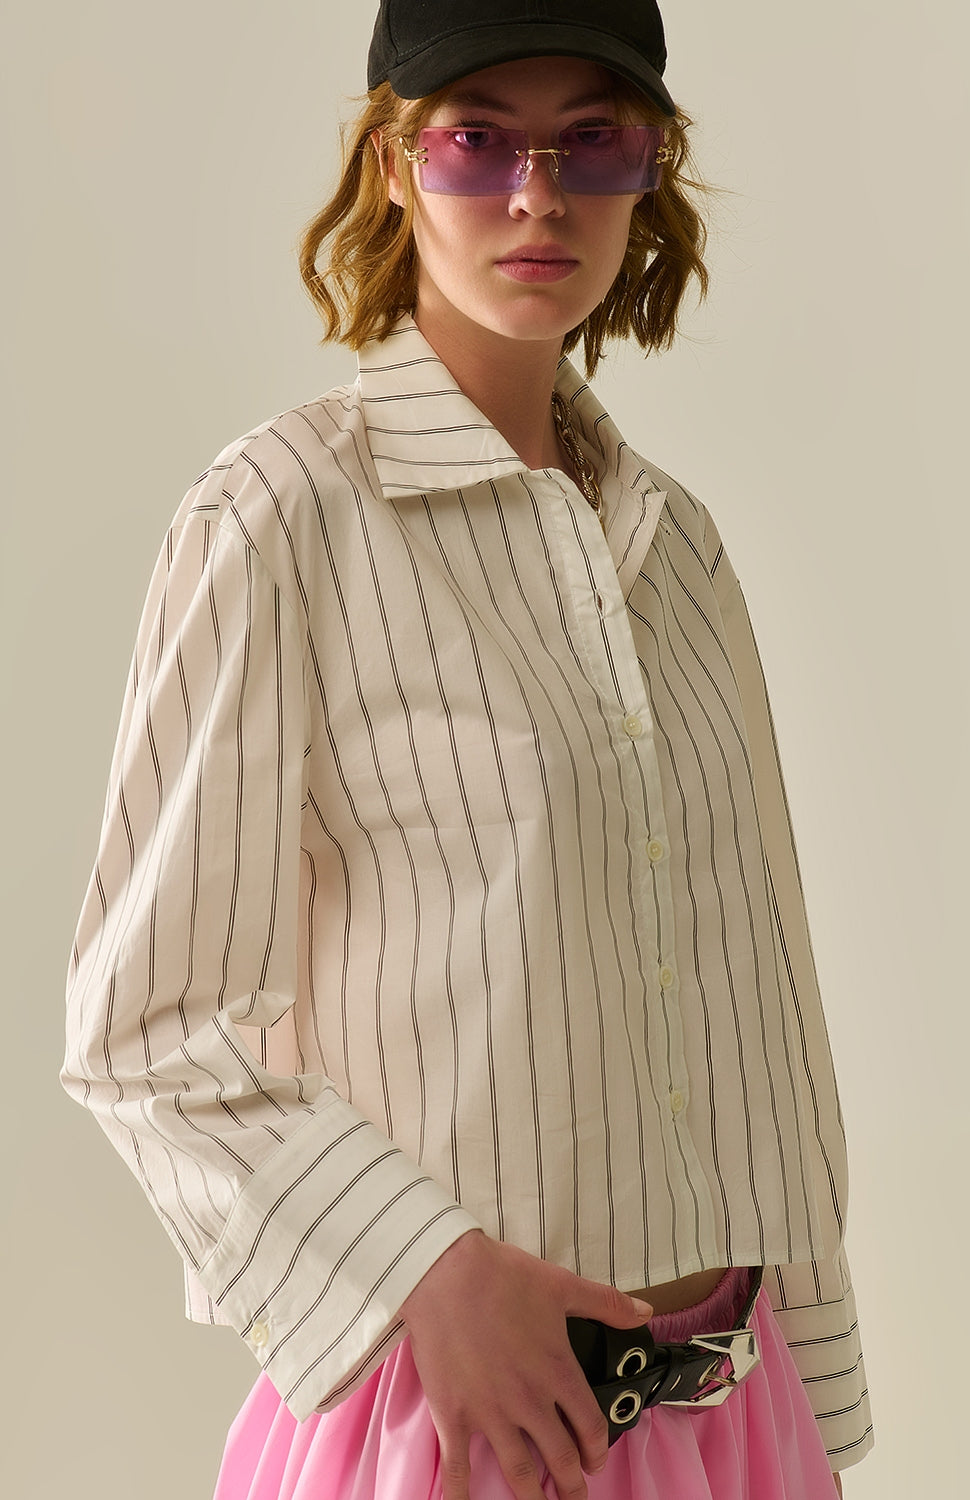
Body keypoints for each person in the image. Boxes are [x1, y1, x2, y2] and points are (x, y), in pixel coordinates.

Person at [62, 2, 873, 1497]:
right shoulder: (283, 518)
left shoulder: (679, 549)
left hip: (733, 1418)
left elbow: (764, 1004)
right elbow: (148, 1032)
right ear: (393, 165)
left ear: (651, 168)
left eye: (592, 141)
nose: (537, 193)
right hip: (464, 1428)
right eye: (477, 140)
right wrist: (425, 1270)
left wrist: (819, 1407)